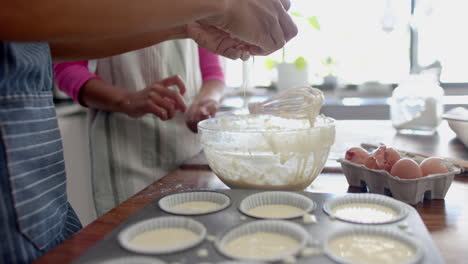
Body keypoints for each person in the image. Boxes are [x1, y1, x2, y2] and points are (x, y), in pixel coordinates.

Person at [0, 0, 297, 262]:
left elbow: (43, 46)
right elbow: (54, 52)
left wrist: (189, 24)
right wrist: (224, 4)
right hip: (118, 151)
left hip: (40, 195)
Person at [53, 43, 225, 216]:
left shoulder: (194, 17)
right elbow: (67, 68)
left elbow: (213, 72)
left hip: (188, 152)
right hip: (124, 151)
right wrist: (125, 99)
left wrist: (206, 101)